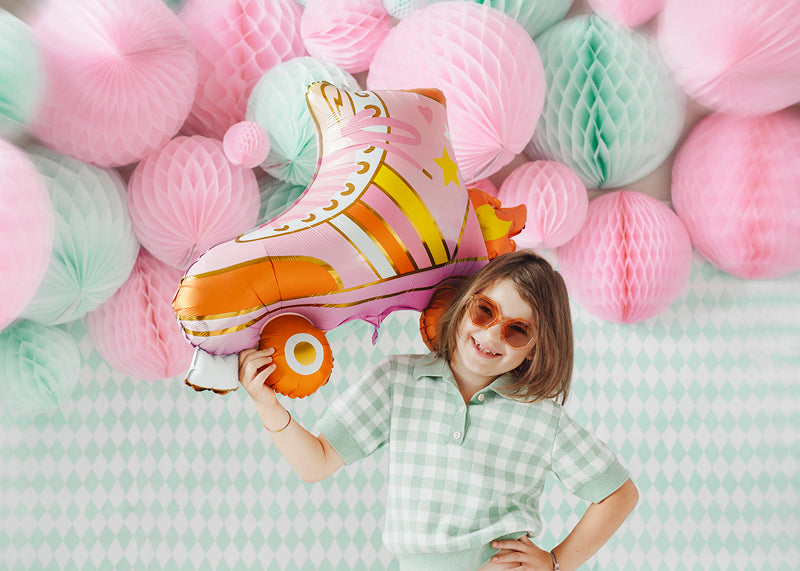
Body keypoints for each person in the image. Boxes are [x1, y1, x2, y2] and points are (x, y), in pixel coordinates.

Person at [239, 250, 638, 571]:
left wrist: (555, 562)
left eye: (516, 330)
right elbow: (317, 462)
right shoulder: (398, 381)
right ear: (466, 304)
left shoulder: (539, 417)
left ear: (534, 347)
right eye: (485, 312)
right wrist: (266, 403)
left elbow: (618, 493)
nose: (489, 335)